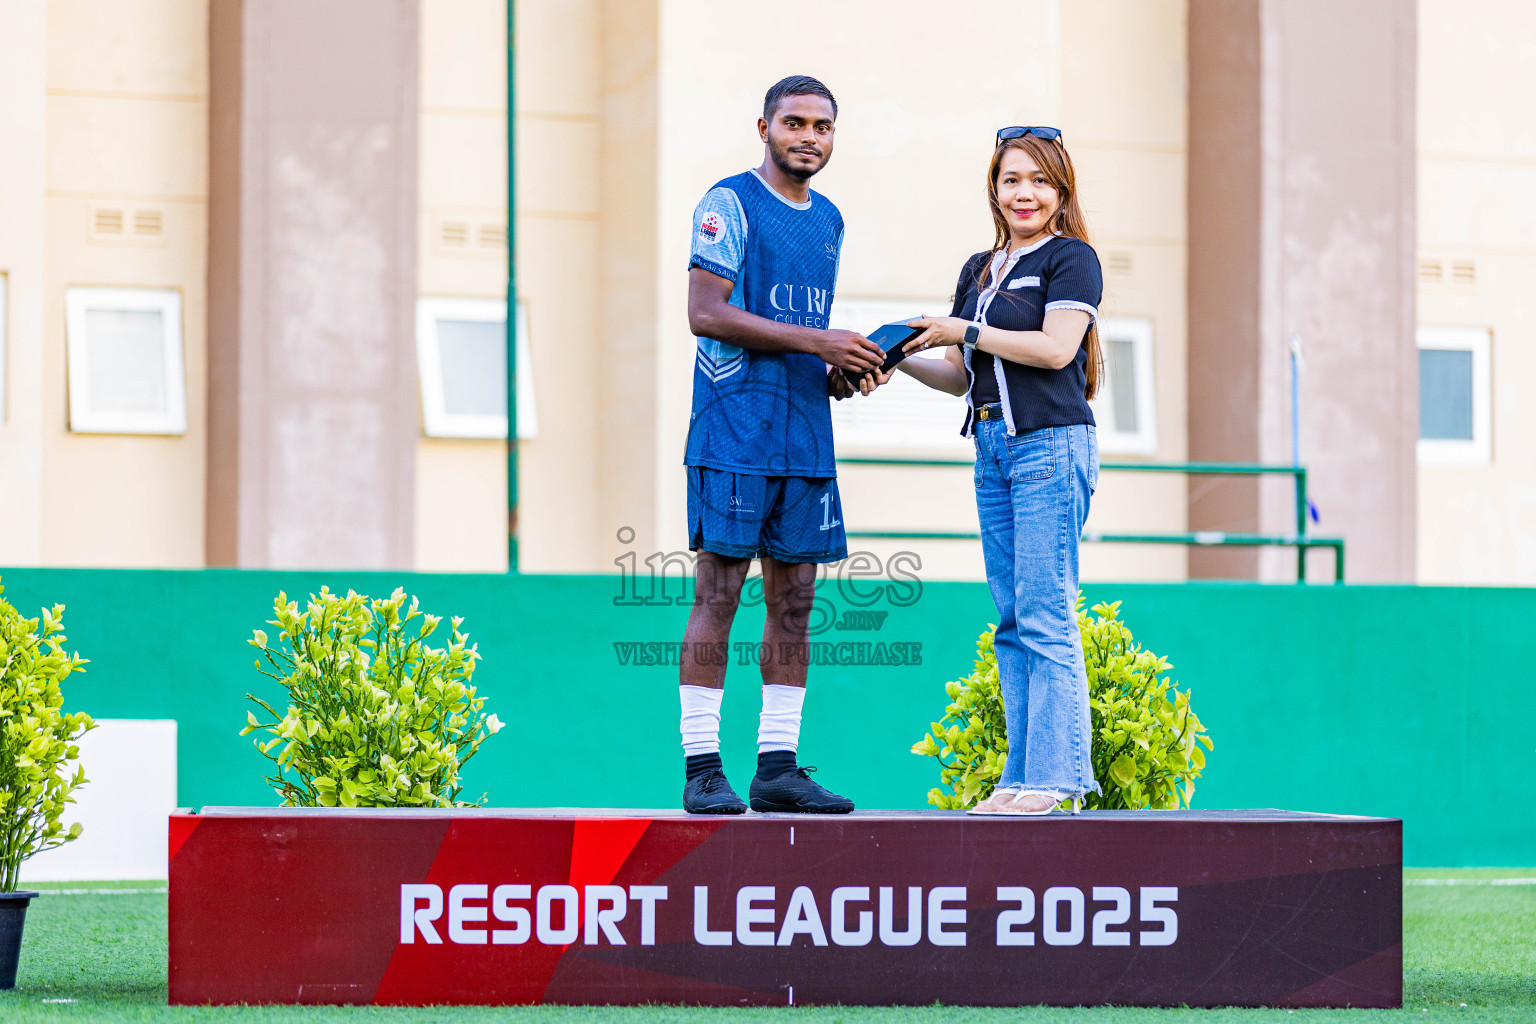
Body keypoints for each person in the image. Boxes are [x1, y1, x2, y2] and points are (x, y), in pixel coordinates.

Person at [676, 75, 885, 815]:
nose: (808, 137)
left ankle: (777, 769)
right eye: (794, 123)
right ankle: (703, 768)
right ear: (763, 127)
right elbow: (707, 313)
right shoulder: (728, 203)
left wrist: (839, 371)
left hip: (804, 435)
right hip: (733, 430)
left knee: (796, 603)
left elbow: (799, 338)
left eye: (822, 127)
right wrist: (818, 340)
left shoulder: (828, 219)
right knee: (720, 593)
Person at [888, 125, 1103, 815]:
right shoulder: (978, 270)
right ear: (994, 188)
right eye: (1012, 179)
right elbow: (958, 374)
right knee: (1011, 619)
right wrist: (896, 360)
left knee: (1045, 613)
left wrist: (967, 331)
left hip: (1050, 444)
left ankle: (1058, 779)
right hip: (992, 447)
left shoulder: (1072, 259)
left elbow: (1055, 349)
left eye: (1039, 180)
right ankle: (1021, 776)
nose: (1025, 193)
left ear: (1061, 191)